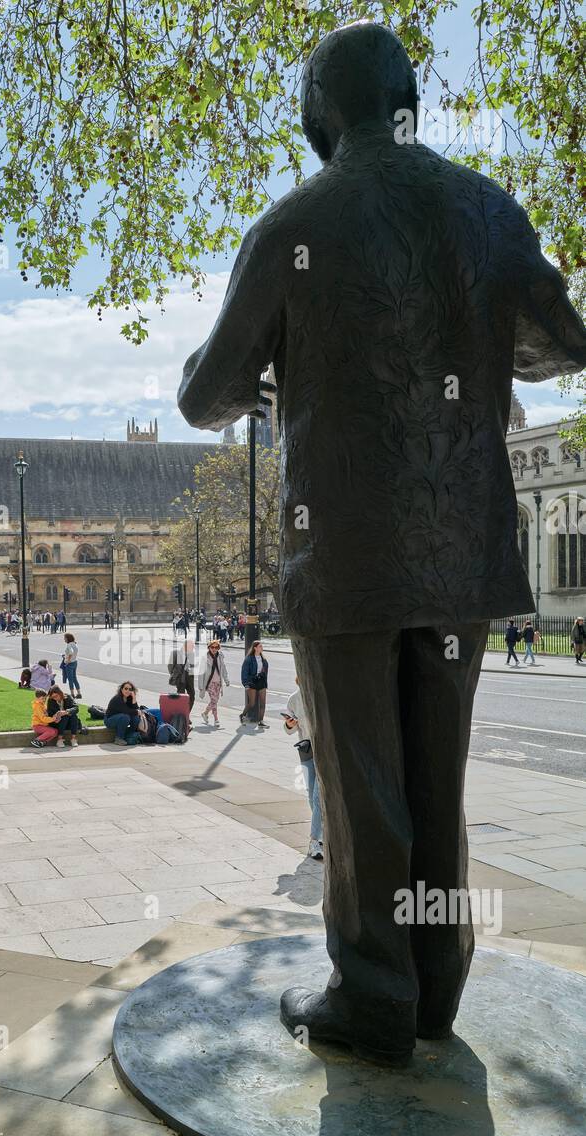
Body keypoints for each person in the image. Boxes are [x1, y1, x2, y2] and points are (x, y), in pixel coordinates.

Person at [178, 22, 586, 1066]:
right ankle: (438, 983)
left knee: (365, 787)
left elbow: (203, 395)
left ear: (320, 114)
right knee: (436, 784)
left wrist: (270, 370)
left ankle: (372, 995)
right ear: (410, 101)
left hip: (347, 553)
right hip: (462, 556)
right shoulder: (488, 212)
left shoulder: (295, 225)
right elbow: (559, 343)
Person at [284, 676, 323, 861]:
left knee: (317, 797)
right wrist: (289, 724)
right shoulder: (294, 699)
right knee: (310, 794)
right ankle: (322, 831)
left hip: (324, 752)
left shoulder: (320, 695)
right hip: (306, 750)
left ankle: (314, 840)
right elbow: (288, 729)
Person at [198, 638, 230, 728]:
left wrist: (226, 679)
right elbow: (201, 673)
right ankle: (216, 719)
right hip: (209, 683)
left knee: (214, 701)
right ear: (209, 648)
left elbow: (223, 669)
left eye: (216, 647)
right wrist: (200, 686)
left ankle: (205, 713)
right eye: (212, 647)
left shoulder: (220, 656)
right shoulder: (205, 658)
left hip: (218, 682)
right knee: (214, 700)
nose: (214, 649)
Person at [240, 640, 269, 727]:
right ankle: (242, 715)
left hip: (261, 682)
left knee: (263, 703)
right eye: (260, 646)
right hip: (251, 682)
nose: (261, 648)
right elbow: (244, 672)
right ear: (255, 648)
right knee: (252, 703)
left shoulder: (264, 659)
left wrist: (265, 682)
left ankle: (261, 721)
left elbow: (265, 672)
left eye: (261, 646)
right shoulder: (249, 659)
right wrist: (246, 684)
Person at [105, 680, 141, 745]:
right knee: (125, 717)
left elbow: (135, 710)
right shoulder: (117, 699)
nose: (128, 691)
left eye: (130, 689)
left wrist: (134, 698)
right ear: (121, 689)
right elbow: (126, 711)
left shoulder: (129, 698)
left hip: (121, 718)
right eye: (126, 688)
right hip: (109, 720)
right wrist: (137, 711)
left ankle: (129, 735)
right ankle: (119, 738)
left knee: (135, 717)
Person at [168, 637, 196, 711]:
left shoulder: (192, 654)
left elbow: (193, 665)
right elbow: (170, 666)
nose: (193, 648)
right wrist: (174, 674)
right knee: (181, 696)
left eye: (193, 646)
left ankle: (187, 714)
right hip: (180, 677)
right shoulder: (175, 653)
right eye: (191, 646)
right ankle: (181, 713)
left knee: (192, 695)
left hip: (189, 677)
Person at [61, 632, 82, 697]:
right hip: (75, 662)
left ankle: (72, 693)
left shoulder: (69, 645)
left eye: (65, 638)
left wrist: (68, 660)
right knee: (74, 678)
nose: (64, 639)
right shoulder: (75, 644)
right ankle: (79, 693)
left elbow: (71, 653)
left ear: (67, 639)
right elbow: (73, 652)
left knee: (70, 679)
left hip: (69, 663)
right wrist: (66, 656)